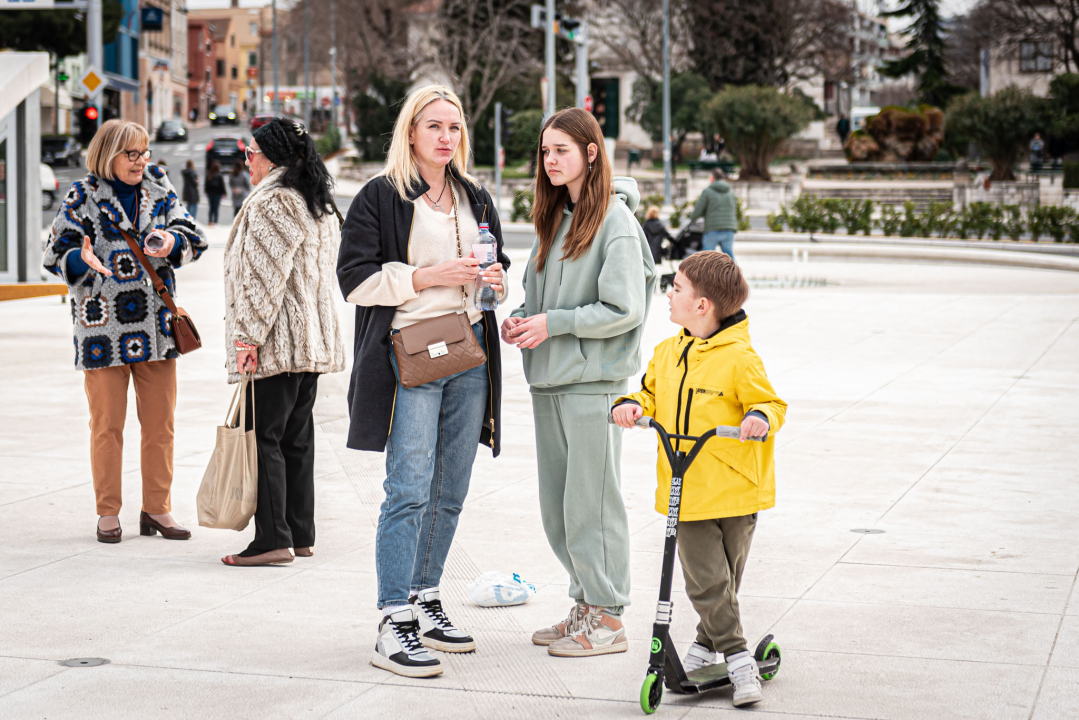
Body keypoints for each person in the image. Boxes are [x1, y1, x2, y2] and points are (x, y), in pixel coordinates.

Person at [337, 85, 509, 678]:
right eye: (433, 126)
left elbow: (497, 266)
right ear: (410, 132)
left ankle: (425, 597)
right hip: (412, 354)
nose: (445, 137)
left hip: (470, 352)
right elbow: (355, 280)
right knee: (408, 488)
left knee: (451, 487)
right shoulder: (380, 195)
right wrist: (428, 275)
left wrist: (495, 281)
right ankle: (392, 619)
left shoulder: (474, 196)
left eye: (454, 127)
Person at [501, 107, 656, 659]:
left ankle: (608, 616)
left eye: (561, 150)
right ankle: (586, 605)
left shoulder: (616, 221)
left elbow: (624, 308)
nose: (550, 160)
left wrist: (554, 324)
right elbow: (543, 300)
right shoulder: (556, 218)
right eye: (545, 151)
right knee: (559, 510)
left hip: (594, 384)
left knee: (593, 505)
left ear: (592, 152)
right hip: (549, 379)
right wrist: (522, 319)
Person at [611, 251, 786, 707]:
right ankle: (739, 658)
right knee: (707, 582)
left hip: (738, 488)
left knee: (723, 582)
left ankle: (706, 646)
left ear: (702, 305)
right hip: (688, 489)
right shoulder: (667, 353)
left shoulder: (740, 358)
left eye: (677, 288)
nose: (668, 294)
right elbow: (648, 393)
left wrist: (758, 417)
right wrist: (632, 405)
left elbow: (770, 403)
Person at [42, 119, 208, 543]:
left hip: (156, 327)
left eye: (144, 152)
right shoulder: (82, 195)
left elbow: (194, 235)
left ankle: (157, 509)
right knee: (106, 427)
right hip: (101, 331)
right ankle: (108, 512)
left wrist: (172, 242)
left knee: (160, 425)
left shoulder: (158, 184)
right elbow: (55, 252)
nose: (140, 161)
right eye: (131, 154)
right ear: (107, 154)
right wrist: (79, 260)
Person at [221, 118, 346, 567]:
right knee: (296, 439)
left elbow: (262, 281)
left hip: (276, 344)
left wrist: (247, 339)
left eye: (250, 153)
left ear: (270, 158)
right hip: (309, 343)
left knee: (263, 438)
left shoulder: (273, 202)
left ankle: (272, 539)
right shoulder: (314, 200)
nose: (246, 161)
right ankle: (299, 533)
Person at [690, 168, 738, 260]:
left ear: (712, 178)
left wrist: (692, 218)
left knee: (707, 257)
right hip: (728, 228)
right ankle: (735, 270)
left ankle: (707, 270)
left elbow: (699, 209)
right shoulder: (730, 191)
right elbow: (734, 208)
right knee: (729, 257)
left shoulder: (708, 191)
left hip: (712, 228)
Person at [204, 161, 226, 227]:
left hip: (210, 193)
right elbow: (222, 185)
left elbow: (206, 184)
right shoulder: (219, 175)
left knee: (211, 207)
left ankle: (210, 221)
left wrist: (206, 191)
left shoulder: (209, 174)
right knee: (216, 208)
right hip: (217, 193)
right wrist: (224, 192)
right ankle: (215, 222)